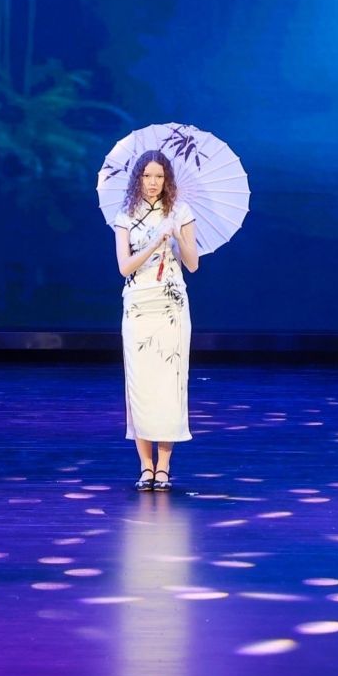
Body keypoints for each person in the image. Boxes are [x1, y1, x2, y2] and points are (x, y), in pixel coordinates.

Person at [113, 150, 200, 491]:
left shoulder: (180, 212)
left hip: (171, 304)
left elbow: (192, 264)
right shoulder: (125, 215)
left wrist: (177, 235)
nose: (153, 183)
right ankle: (145, 466)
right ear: (138, 178)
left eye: (159, 177)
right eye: (147, 176)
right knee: (140, 384)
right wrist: (152, 242)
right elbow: (124, 267)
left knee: (169, 383)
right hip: (139, 303)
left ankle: (163, 466)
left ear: (167, 180)